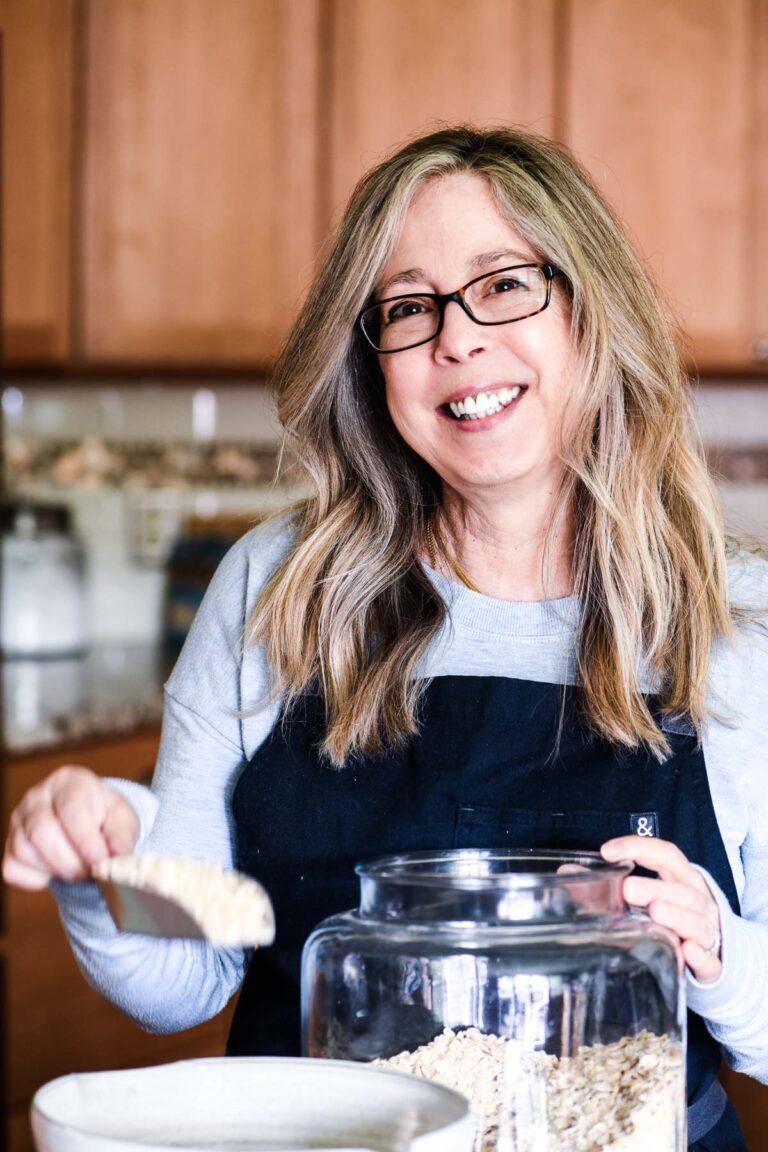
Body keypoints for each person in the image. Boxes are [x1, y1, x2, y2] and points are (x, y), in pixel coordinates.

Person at [4, 125, 768, 1149]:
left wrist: (718, 948)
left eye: (504, 285)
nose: (457, 339)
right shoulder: (278, 591)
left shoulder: (737, 625)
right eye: (408, 308)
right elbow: (181, 981)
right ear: (370, 360)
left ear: (595, 311)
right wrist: (103, 869)